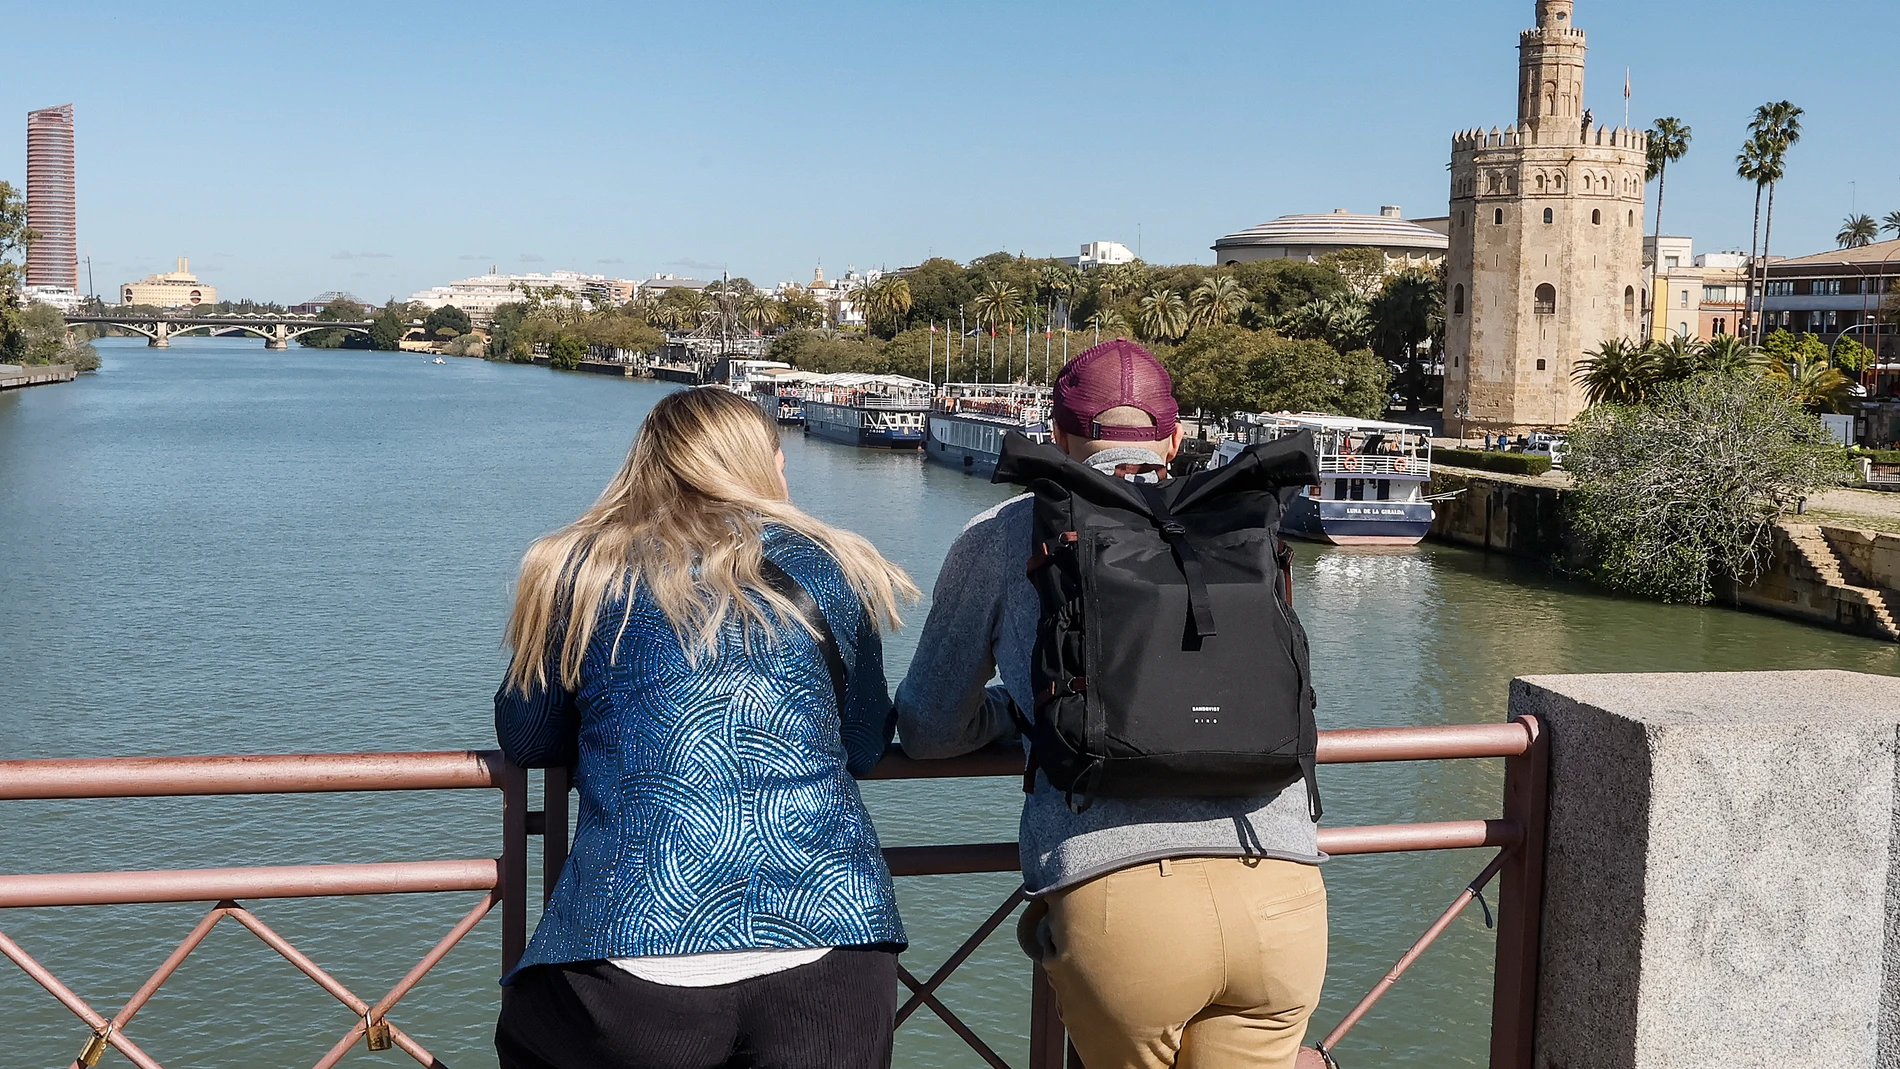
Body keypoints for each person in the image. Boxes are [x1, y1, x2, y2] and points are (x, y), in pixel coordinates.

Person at [896, 339, 1327, 1069]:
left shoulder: (1005, 536)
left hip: (1121, 907)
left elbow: (930, 726)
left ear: (1057, 437)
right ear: (1176, 437)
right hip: (1281, 889)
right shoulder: (1244, 527)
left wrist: (1015, 711)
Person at [493, 387, 919, 1069]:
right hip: (832, 943)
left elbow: (527, 736)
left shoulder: (578, 568)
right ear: (764, 465)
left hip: (629, 948)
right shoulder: (830, 564)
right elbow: (865, 741)